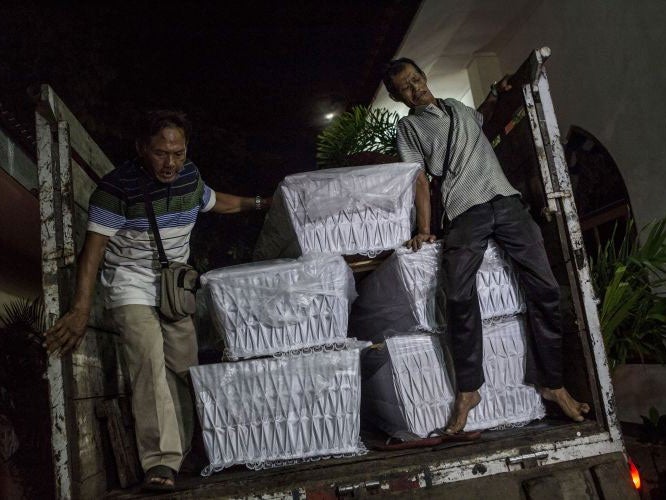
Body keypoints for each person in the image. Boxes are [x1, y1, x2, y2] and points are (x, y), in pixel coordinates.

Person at [43, 110, 270, 492]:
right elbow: (92, 251)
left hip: (173, 288)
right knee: (148, 363)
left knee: (184, 369)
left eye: (178, 153)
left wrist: (263, 204)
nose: (170, 163)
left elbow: (220, 203)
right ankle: (160, 462)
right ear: (141, 149)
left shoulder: (191, 178)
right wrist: (81, 309)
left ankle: (182, 453)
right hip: (130, 285)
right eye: (161, 153)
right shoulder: (116, 190)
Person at [383, 58, 590, 434]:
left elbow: (485, 116)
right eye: (406, 87)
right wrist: (425, 228)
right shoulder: (409, 129)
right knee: (459, 295)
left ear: (425, 77)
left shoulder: (460, 109)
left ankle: (553, 383)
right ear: (399, 97)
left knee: (545, 288)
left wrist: (497, 93)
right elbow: (418, 180)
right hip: (465, 210)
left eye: (417, 79)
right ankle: (468, 390)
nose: (416, 88)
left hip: (507, 201)